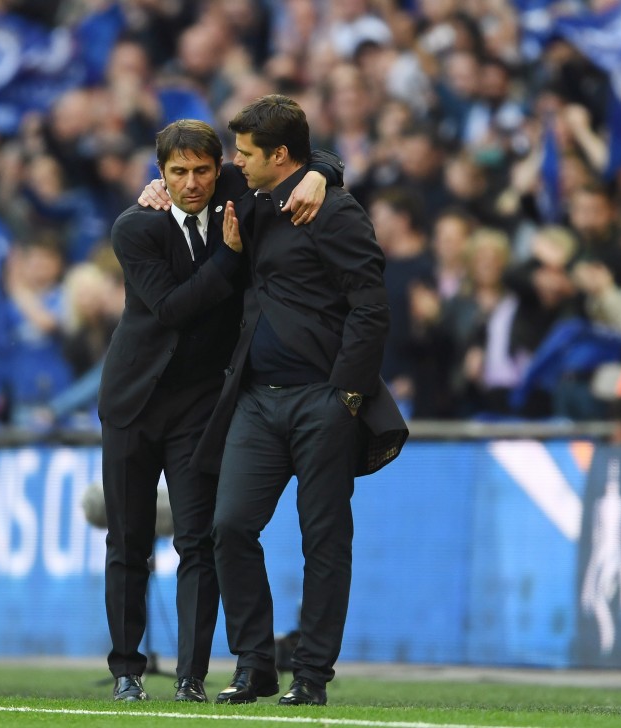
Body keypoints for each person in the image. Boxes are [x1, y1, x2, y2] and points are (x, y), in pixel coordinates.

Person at [99, 118, 342, 703]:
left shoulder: (237, 186)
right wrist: (231, 258)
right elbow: (172, 308)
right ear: (159, 174)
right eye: (177, 172)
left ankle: (190, 675)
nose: (191, 183)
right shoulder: (136, 227)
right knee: (128, 542)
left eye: (203, 170)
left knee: (198, 542)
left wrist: (319, 176)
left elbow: (308, 157)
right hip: (133, 401)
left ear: (220, 169)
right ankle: (128, 670)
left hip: (199, 407)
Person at [191, 95, 408, 706]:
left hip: (323, 399)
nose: (236, 163)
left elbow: (372, 307)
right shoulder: (254, 194)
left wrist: (348, 395)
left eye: (247, 153)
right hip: (257, 400)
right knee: (229, 526)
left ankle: (310, 674)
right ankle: (255, 664)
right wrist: (155, 191)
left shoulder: (336, 214)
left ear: (279, 156)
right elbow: (192, 176)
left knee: (324, 539)